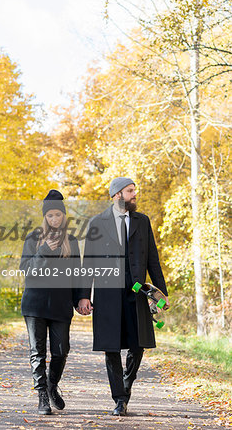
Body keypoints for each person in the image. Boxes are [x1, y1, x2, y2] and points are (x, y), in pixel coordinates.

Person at [76, 177, 170, 416]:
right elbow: (89, 263)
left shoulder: (142, 221)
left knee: (138, 345)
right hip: (108, 293)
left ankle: (126, 386)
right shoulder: (97, 223)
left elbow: (153, 260)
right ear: (117, 195)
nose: (134, 195)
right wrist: (84, 295)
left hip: (136, 292)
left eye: (134, 191)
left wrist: (162, 293)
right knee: (111, 347)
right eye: (130, 191)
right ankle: (119, 399)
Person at [20, 189, 80, 415]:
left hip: (61, 305)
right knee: (38, 352)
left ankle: (52, 385)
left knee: (61, 351)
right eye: (50, 215)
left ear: (64, 216)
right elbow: (26, 270)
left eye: (58, 215)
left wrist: (81, 299)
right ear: (45, 217)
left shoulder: (71, 241)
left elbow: (79, 274)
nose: (54, 219)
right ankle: (42, 397)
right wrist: (44, 251)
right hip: (35, 304)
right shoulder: (34, 239)